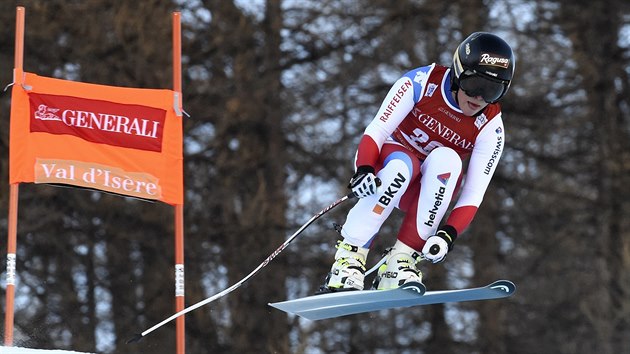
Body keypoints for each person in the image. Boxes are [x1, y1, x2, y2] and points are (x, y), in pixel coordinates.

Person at [321, 32, 515, 292]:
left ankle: (401, 261)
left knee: (448, 161)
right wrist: (364, 169)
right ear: (458, 73)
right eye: (474, 85)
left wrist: (449, 234)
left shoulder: (491, 126)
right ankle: (350, 257)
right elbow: (377, 130)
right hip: (386, 167)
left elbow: (473, 194)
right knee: (403, 164)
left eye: (492, 91)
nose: (479, 98)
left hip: (424, 190)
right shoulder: (422, 82)